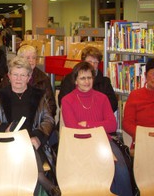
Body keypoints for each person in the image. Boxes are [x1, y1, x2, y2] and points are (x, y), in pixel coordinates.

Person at [0, 57, 60, 196]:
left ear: (29, 77)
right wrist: (4, 128)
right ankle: (42, 179)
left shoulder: (39, 95)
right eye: (15, 74)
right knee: (24, 149)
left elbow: (48, 119)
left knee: (28, 146)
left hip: (33, 142)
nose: (18, 79)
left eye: (23, 75)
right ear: (9, 76)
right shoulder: (0, 95)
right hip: (7, 143)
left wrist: (38, 137)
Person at [61, 61, 133, 196]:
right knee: (95, 169)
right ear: (75, 81)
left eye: (89, 78)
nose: (86, 81)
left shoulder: (102, 98)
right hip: (78, 144)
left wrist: (88, 124)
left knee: (121, 169)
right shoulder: (67, 100)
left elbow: (112, 125)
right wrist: (100, 125)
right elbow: (73, 129)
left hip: (104, 142)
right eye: (82, 78)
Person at [58, 46, 118, 112]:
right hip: (76, 116)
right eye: (89, 62)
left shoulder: (104, 82)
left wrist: (94, 111)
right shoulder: (70, 79)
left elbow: (113, 105)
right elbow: (63, 101)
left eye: (95, 62)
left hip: (98, 118)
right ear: (83, 62)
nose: (92, 65)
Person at [15, 45, 56, 117]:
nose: (31, 60)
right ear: (19, 60)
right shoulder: (10, 78)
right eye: (28, 58)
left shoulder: (43, 79)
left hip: (38, 120)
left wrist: (40, 118)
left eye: (34, 58)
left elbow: (51, 105)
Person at [123, 58, 154, 143]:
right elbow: (127, 124)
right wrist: (143, 135)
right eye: (153, 74)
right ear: (145, 75)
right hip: (142, 140)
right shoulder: (135, 95)